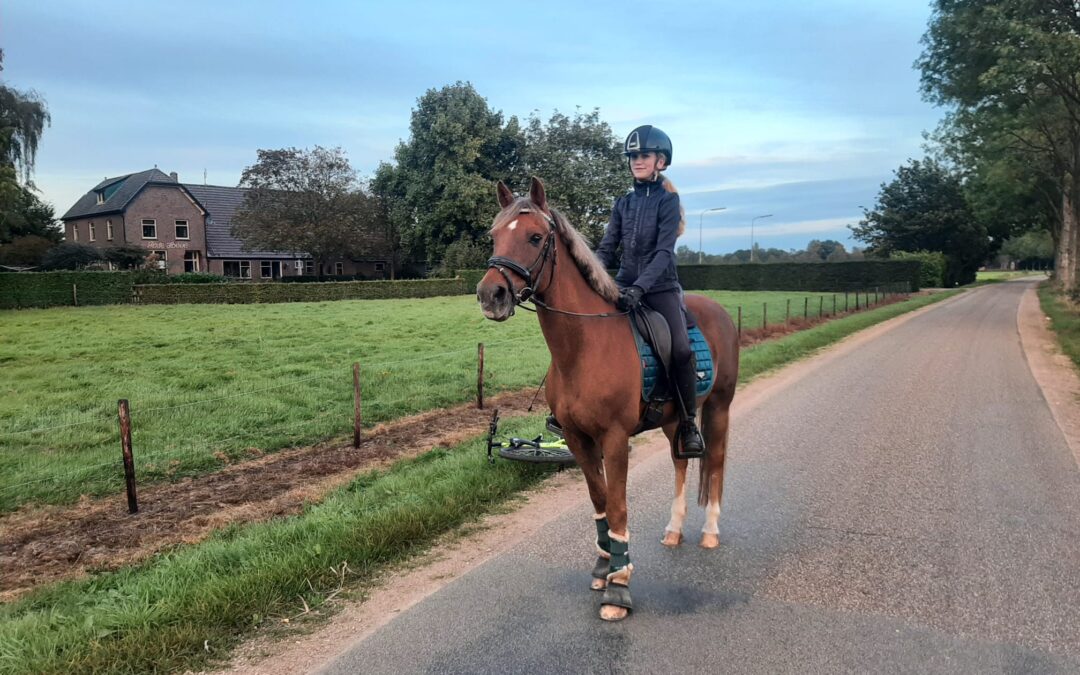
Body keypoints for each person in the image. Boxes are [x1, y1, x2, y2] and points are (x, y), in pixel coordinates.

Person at [592, 125, 704, 455]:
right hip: (624, 285)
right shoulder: (622, 204)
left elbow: (663, 253)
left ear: (661, 162)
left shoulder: (668, 202)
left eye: (644, 155)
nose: (637, 161)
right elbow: (607, 247)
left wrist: (641, 287)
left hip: (660, 288)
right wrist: (594, 273)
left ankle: (687, 423)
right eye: (633, 156)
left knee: (681, 350)